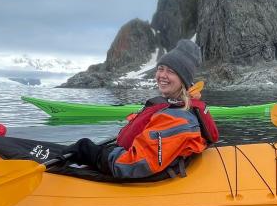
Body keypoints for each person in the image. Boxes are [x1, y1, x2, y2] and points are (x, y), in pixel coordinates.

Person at [67, 39, 219, 178]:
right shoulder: (171, 106)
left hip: (126, 170)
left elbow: (132, 164)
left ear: (183, 80)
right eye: (161, 68)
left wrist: (93, 153)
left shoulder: (178, 120)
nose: (162, 75)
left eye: (171, 72)